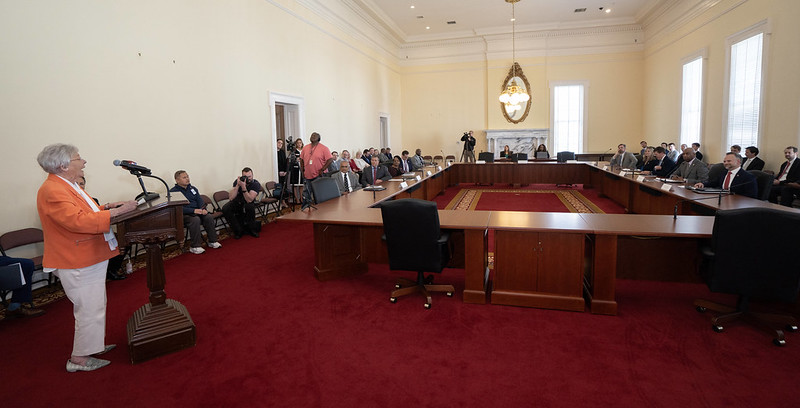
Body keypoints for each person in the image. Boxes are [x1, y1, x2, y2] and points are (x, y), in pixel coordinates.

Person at [36, 143, 138, 372]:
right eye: (78, 158)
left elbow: (83, 213)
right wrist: (118, 212)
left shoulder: (66, 185)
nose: (83, 162)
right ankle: (79, 359)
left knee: (95, 305)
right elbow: (77, 222)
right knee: (88, 308)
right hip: (76, 258)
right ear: (63, 165)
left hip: (87, 255)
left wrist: (106, 207)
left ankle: (92, 345)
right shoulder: (53, 190)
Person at [78, 176, 127, 281]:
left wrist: (110, 207)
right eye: (76, 184)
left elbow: (100, 214)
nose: (79, 186)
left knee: (124, 240)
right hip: (87, 235)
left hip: (101, 230)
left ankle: (112, 269)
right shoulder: (72, 202)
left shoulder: (92, 200)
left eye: (81, 184)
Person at [170, 170, 222, 254]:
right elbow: (177, 208)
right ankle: (195, 246)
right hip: (185, 215)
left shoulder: (193, 188)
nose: (187, 179)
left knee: (208, 217)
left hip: (198, 211)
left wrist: (203, 209)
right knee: (195, 220)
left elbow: (200, 201)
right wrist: (193, 210)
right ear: (177, 180)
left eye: (187, 176)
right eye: (184, 177)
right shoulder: (173, 192)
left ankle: (212, 241)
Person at [222, 167, 262, 238]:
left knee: (249, 207)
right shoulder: (238, 182)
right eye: (245, 177)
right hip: (238, 201)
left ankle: (252, 230)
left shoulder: (255, 184)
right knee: (226, 208)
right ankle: (238, 230)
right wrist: (237, 186)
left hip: (248, 201)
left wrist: (244, 188)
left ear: (252, 175)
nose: (248, 178)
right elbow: (231, 197)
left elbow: (249, 200)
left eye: (249, 176)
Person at [299, 132, 334, 209]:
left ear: (319, 138)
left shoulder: (324, 148)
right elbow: (301, 159)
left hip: (319, 175)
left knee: (319, 193)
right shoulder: (305, 147)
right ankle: (305, 208)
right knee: (306, 192)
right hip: (307, 174)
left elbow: (330, 159)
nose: (313, 136)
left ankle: (321, 208)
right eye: (312, 135)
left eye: (315, 135)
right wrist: (302, 170)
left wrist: (323, 169)